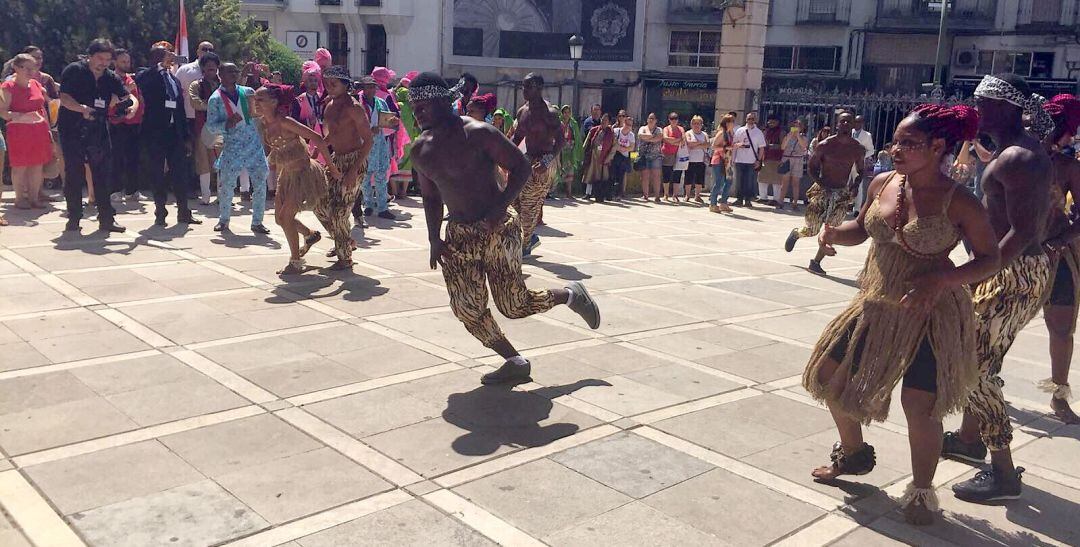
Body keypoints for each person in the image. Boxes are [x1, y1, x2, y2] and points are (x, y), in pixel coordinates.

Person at [806, 104, 999, 526]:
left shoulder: (960, 201)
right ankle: (853, 453)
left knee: (919, 405)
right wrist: (836, 233)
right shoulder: (882, 182)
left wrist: (943, 281)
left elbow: (990, 258)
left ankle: (922, 491)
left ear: (937, 147)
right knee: (826, 375)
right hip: (876, 302)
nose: (896, 149)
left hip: (929, 311)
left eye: (908, 144)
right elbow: (864, 228)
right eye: (895, 141)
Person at [408, 71, 601, 385]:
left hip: (500, 227)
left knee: (513, 305)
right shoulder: (420, 150)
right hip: (459, 234)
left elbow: (521, 166)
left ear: (446, 102)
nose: (418, 114)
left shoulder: (479, 133)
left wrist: (500, 206)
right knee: (467, 308)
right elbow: (430, 197)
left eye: (424, 106)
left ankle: (570, 295)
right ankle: (515, 361)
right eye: (415, 109)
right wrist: (433, 238)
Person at [942, 74, 1055, 503]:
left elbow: (1023, 231)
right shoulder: (1013, 153)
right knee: (981, 355)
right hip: (1009, 271)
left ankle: (1003, 473)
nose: (976, 109)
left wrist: (982, 271)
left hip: (1012, 274)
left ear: (1008, 108)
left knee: (974, 365)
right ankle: (971, 439)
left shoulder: (1020, 157)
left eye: (983, 103)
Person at [254, 84, 341, 274]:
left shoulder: (286, 122)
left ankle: (295, 262)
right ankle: (309, 235)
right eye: (255, 99)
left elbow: (317, 138)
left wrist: (332, 167)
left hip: (304, 173)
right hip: (286, 175)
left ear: (274, 102)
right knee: (279, 219)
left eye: (260, 99)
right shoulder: (263, 122)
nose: (256, 103)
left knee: (286, 217)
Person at [58, 38, 137, 233]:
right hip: (72, 128)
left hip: (98, 129)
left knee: (103, 174)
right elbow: (65, 98)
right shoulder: (74, 71)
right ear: (90, 56)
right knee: (74, 174)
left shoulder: (110, 77)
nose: (103, 63)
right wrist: (82, 109)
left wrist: (131, 108)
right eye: (100, 58)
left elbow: (129, 96)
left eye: (108, 59)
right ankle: (74, 218)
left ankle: (107, 219)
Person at [1037, 93, 1080, 424]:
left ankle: (1059, 396)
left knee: (1062, 329)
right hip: (1013, 256)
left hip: (1057, 256)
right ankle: (982, 385)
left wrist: (1061, 239)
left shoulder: (1068, 167)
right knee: (993, 327)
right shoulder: (1017, 157)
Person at [784, 111, 866, 275]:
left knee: (832, 231)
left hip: (841, 193)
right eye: (842, 122)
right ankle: (797, 233)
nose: (845, 125)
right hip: (822, 190)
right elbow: (813, 168)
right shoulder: (825, 145)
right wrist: (823, 184)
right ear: (837, 124)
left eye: (848, 122)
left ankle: (816, 262)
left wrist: (856, 184)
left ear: (853, 125)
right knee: (812, 229)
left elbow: (861, 170)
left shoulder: (857, 148)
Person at [135, 45, 201, 227]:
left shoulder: (174, 78)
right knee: (157, 172)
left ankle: (184, 212)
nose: (169, 58)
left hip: (174, 132)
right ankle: (160, 211)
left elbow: (179, 107)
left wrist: (186, 136)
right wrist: (159, 66)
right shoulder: (147, 74)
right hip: (155, 132)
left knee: (180, 173)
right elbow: (142, 82)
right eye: (164, 55)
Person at [319, 66, 374, 269]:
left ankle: (345, 257)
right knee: (319, 203)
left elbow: (368, 140)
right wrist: (318, 151)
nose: (329, 87)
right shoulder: (329, 106)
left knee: (340, 210)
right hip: (336, 159)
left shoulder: (355, 108)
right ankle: (344, 240)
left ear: (345, 84)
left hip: (355, 160)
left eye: (334, 83)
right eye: (327, 83)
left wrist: (353, 170)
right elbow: (332, 134)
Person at [205, 63, 269, 234]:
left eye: (235, 71)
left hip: (253, 143)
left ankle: (257, 221)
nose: (233, 74)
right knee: (226, 185)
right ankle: (224, 220)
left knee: (260, 183)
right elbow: (211, 127)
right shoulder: (215, 99)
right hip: (232, 145)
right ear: (220, 74)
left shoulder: (247, 92)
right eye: (229, 71)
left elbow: (260, 110)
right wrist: (225, 124)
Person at [511, 73, 564, 256]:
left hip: (545, 161)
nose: (524, 91)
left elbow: (560, 141)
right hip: (527, 159)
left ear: (539, 88)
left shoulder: (550, 113)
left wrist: (546, 162)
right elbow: (517, 138)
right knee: (511, 201)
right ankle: (530, 237)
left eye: (528, 87)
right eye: (523, 87)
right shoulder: (522, 111)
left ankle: (524, 247)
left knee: (529, 204)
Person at [1, 53, 53, 209]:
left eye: (34, 67)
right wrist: (19, 116)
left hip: (39, 128)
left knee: (37, 165)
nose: (31, 71)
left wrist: (49, 128)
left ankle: (34, 198)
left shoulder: (36, 84)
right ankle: (19, 199)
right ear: (16, 67)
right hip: (19, 130)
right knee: (20, 165)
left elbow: (42, 107)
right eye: (27, 68)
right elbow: (3, 111)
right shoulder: (8, 86)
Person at [354, 76, 398, 221]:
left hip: (379, 142)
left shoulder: (381, 103)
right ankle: (368, 204)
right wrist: (366, 130)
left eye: (373, 86)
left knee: (381, 173)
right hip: (363, 142)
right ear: (363, 88)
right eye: (368, 87)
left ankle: (382, 207)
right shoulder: (357, 104)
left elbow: (388, 122)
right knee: (365, 175)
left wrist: (393, 122)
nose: (371, 90)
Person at [108, 48, 144, 203]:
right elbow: (110, 100)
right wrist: (125, 92)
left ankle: (132, 190)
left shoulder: (132, 79)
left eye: (128, 61)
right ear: (114, 62)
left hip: (134, 122)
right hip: (117, 123)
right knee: (117, 158)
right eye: (123, 61)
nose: (126, 64)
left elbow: (138, 97)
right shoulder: (110, 79)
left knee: (133, 157)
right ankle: (115, 190)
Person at [188, 52, 221, 205]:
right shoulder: (196, 85)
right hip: (203, 127)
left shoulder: (224, 85)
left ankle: (222, 194)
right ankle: (206, 195)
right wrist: (213, 106)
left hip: (222, 128)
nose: (212, 72)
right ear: (202, 69)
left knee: (222, 161)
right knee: (203, 162)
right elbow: (195, 103)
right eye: (208, 69)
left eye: (214, 69)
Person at [732, 112, 765, 208]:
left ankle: (748, 200)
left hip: (751, 160)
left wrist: (758, 160)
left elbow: (762, 147)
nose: (750, 120)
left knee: (749, 181)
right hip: (739, 159)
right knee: (739, 180)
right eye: (749, 118)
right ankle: (739, 199)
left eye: (752, 119)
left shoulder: (758, 132)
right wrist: (737, 148)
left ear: (755, 120)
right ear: (746, 119)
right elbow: (733, 144)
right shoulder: (739, 130)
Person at [582, 113, 616, 202]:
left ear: (608, 122)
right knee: (590, 175)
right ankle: (588, 193)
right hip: (594, 156)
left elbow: (614, 146)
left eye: (605, 120)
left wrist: (609, 158)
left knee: (604, 177)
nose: (603, 122)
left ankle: (602, 195)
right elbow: (587, 142)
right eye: (602, 120)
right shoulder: (594, 130)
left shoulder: (611, 133)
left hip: (605, 157)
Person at [776, 119, 809, 211]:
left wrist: (798, 135)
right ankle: (780, 201)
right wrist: (789, 136)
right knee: (784, 182)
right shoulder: (787, 136)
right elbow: (782, 147)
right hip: (787, 159)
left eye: (798, 126)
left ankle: (795, 203)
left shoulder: (804, 138)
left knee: (796, 183)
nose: (796, 127)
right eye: (794, 125)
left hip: (798, 160)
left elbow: (803, 146)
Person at [709, 114, 735, 213]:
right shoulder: (721, 133)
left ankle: (723, 203)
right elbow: (713, 146)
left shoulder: (730, 133)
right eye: (731, 121)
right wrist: (726, 148)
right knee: (719, 182)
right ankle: (713, 203)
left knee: (729, 181)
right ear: (727, 123)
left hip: (727, 160)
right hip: (718, 159)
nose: (733, 124)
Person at [558, 105, 582, 198]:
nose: (567, 114)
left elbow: (576, 136)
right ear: (562, 113)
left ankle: (569, 192)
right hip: (560, 149)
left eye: (568, 112)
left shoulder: (573, 123)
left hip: (570, 150)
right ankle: (554, 192)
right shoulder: (559, 123)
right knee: (559, 170)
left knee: (570, 171)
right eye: (565, 112)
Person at [660, 112, 685, 202]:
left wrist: (673, 141)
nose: (674, 121)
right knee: (666, 173)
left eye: (675, 119)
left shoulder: (681, 129)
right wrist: (677, 141)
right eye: (672, 119)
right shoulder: (666, 129)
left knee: (677, 174)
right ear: (669, 120)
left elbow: (683, 139)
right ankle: (666, 194)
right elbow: (665, 138)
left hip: (678, 154)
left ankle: (675, 195)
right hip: (667, 153)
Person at [638, 113, 664, 202]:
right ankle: (645, 195)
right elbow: (641, 135)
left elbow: (659, 138)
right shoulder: (643, 128)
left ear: (656, 120)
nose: (651, 120)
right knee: (645, 176)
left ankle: (657, 196)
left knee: (656, 176)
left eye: (653, 118)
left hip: (656, 156)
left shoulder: (659, 129)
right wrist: (652, 137)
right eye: (650, 118)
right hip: (644, 156)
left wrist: (648, 138)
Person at [852, 114, 876, 209]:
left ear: (862, 124)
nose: (856, 124)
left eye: (858, 122)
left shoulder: (867, 135)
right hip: (846, 162)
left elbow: (871, 150)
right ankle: (842, 206)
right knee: (843, 185)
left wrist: (861, 157)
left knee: (858, 185)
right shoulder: (849, 132)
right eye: (855, 122)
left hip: (858, 164)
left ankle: (857, 208)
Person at [759, 115, 784, 205]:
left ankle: (776, 199)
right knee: (762, 178)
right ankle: (763, 197)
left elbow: (783, 146)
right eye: (769, 122)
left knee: (776, 180)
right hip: (765, 157)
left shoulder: (781, 132)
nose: (770, 123)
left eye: (773, 122)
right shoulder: (765, 131)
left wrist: (772, 146)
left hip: (777, 158)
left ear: (777, 122)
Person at [684, 115, 708, 204]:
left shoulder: (704, 134)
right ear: (691, 124)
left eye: (698, 123)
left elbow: (707, 144)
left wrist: (696, 145)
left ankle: (697, 195)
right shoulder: (688, 133)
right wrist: (700, 143)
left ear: (701, 124)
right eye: (694, 123)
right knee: (688, 178)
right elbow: (689, 143)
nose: (696, 125)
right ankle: (687, 195)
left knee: (699, 179)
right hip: (690, 159)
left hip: (701, 160)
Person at [612, 114, 636, 201]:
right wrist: (623, 148)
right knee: (613, 175)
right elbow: (614, 144)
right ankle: (612, 193)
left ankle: (619, 193)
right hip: (615, 156)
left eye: (631, 125)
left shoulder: (631, 135)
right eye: (628, 124)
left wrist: (622, 148)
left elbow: (632, 148)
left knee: (621, 176)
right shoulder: (616, 131)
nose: (629, 127)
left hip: (624, 157)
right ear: (624, 123)